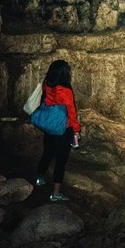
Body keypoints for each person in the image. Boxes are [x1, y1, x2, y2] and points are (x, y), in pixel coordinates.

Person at [33, 59, 81, 201]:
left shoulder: (47, 84)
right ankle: (56, 193)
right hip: (62, 129)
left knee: (47, 154)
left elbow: (45, 100)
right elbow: (71, 112)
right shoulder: (65, 91)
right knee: (61, 161)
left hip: (49, 126)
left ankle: (39, 178)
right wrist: (76, 129)